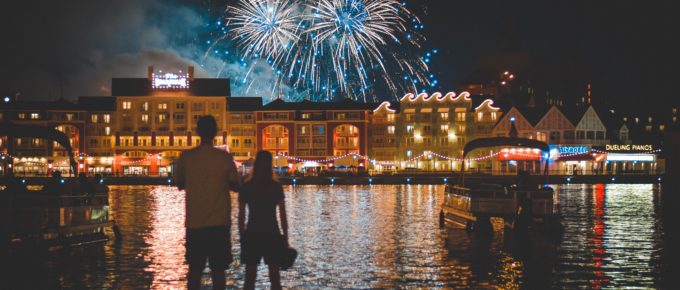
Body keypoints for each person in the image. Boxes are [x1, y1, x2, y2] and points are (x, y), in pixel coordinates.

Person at [175, 115, 241, 290]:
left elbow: (179, 183)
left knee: (194, 272)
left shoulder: (186, 157)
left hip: (195, 223)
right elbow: (236, 185)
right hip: (219, 223)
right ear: (215, 133)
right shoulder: (224, 158)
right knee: (219, 272)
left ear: (197, 132)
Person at [239, 151, 289, 290]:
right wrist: (285, 238)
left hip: (252, 233)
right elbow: (283, 215)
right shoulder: (275, 186)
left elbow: (241, 216)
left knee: (249, 279)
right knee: (275, 279)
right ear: (270, 165)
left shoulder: (247, 186)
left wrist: (242, 236)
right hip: (272, 233)